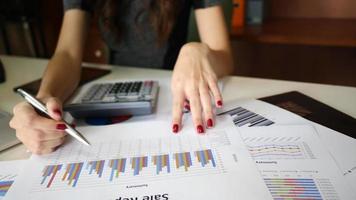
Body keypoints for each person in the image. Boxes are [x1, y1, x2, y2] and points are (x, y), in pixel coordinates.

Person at [9, 0, 233, 154]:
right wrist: (45, 97)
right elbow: (67, 53)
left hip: (176, 87)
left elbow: (223, 56)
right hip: (117, 87)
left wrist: (197, 50)